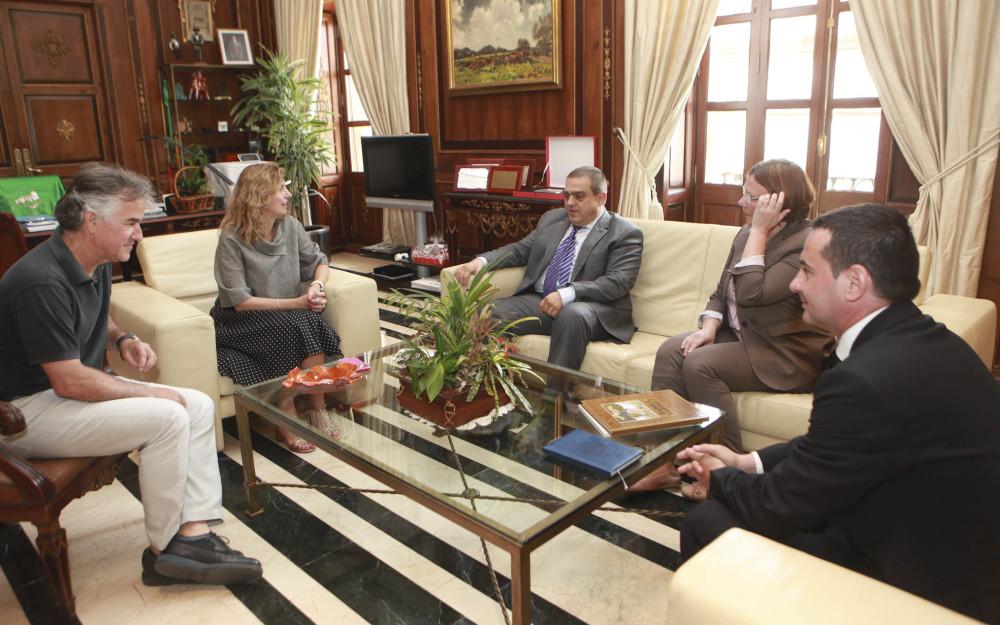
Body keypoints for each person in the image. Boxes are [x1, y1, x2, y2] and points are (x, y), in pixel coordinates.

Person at [675, 204, 1000, 623]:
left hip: (922, 576)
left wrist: (719, 478)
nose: (795, 283)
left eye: (807, 271)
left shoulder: (865, 380)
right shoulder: (927, 341)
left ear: (854, 282)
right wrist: (747, 462)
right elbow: (830, 447)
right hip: (945, 538)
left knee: (707, 520)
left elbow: (779, 505)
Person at [0, 162, 263, 586]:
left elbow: (95, 315)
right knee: (169, 415)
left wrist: (122, 339)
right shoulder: (41, 281)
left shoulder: (95, 260)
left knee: (197, 404)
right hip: (23, 415)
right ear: (91, 221)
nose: (138, 234)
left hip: (60, 394)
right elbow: (70, 380)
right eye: (131, 223)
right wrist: (154, 393)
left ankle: (193, 533)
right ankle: (166, 550)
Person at [633, 159, 831, 494]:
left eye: (751, 197)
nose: (742, 203)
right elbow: (721, 291)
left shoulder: (804, 243)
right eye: (744, 194)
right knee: (673, 349)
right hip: (743, 337)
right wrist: (709, 326)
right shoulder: (744, 234)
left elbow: (753, 293)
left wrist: (759, 232)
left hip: (784, 352)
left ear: (779, 202)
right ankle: (661, 461)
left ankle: (725, 470)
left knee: (700, 363)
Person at [452, 166, 643, 372]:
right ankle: (490, 383)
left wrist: (566, 294)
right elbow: (520, 250)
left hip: (593, 309)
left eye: (579, 196)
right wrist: (481, 261)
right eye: (566, 195)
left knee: (571, 315)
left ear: (600, 198)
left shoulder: (624, 233)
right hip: (542, 301)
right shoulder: (553, 219)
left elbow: (618, 282)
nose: (570, 203)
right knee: (487, 312)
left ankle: (555, 391)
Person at [211, 162, 340, 453]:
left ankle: (316, 405)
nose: (288, 194)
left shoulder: (290, 226)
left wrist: (317, 286)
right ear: (258, 196)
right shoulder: (231, 237)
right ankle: (286, 407)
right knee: (297, 325)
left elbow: (319, 262)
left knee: (309, 322)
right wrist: (296, 303)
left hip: (285, 314)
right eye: (280, 189)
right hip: (240, 319)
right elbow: (239, 301)